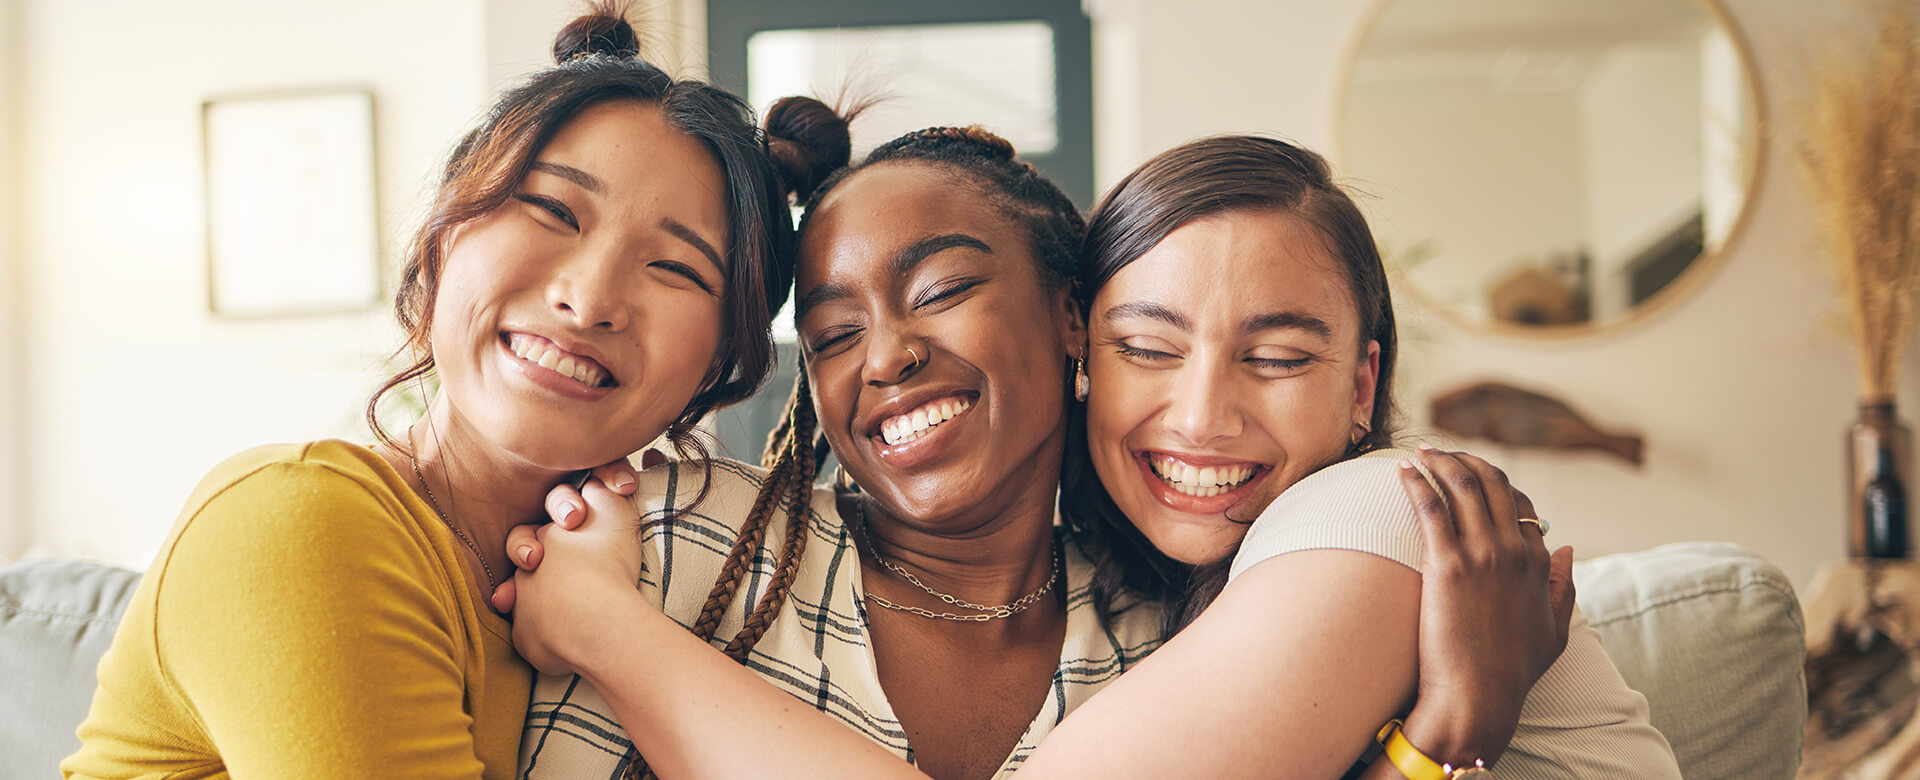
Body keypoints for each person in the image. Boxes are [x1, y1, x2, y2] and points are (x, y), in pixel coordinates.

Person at [501, 124, 1603, 779]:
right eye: (833, 335)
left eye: (943, 292)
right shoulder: (673, 536)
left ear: (1068, 322)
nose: (884, 356)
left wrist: (1447, 734)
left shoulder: (1169, 634)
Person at [61, 7, 822, 777]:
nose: (590, 299)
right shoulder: (301, 519)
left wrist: (607, 623)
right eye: (554, 210)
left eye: (676, 268)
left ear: (720, 362)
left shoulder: (659, 575)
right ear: (443, 236)